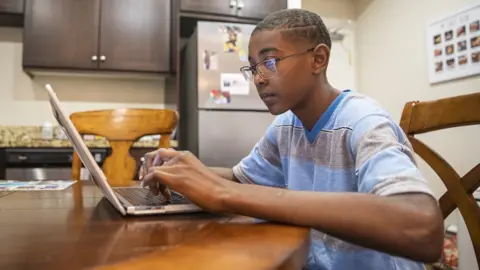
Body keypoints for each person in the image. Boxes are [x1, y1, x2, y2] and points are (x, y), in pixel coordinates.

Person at [139, 9, 444, 270]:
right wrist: (185, 171)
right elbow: (242, 181)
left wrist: (222, 192)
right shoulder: (286, 126)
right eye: (253, 67)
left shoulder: (363, 122)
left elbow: (421, 227)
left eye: (270, 62)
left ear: (318, 59)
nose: (259, 77)